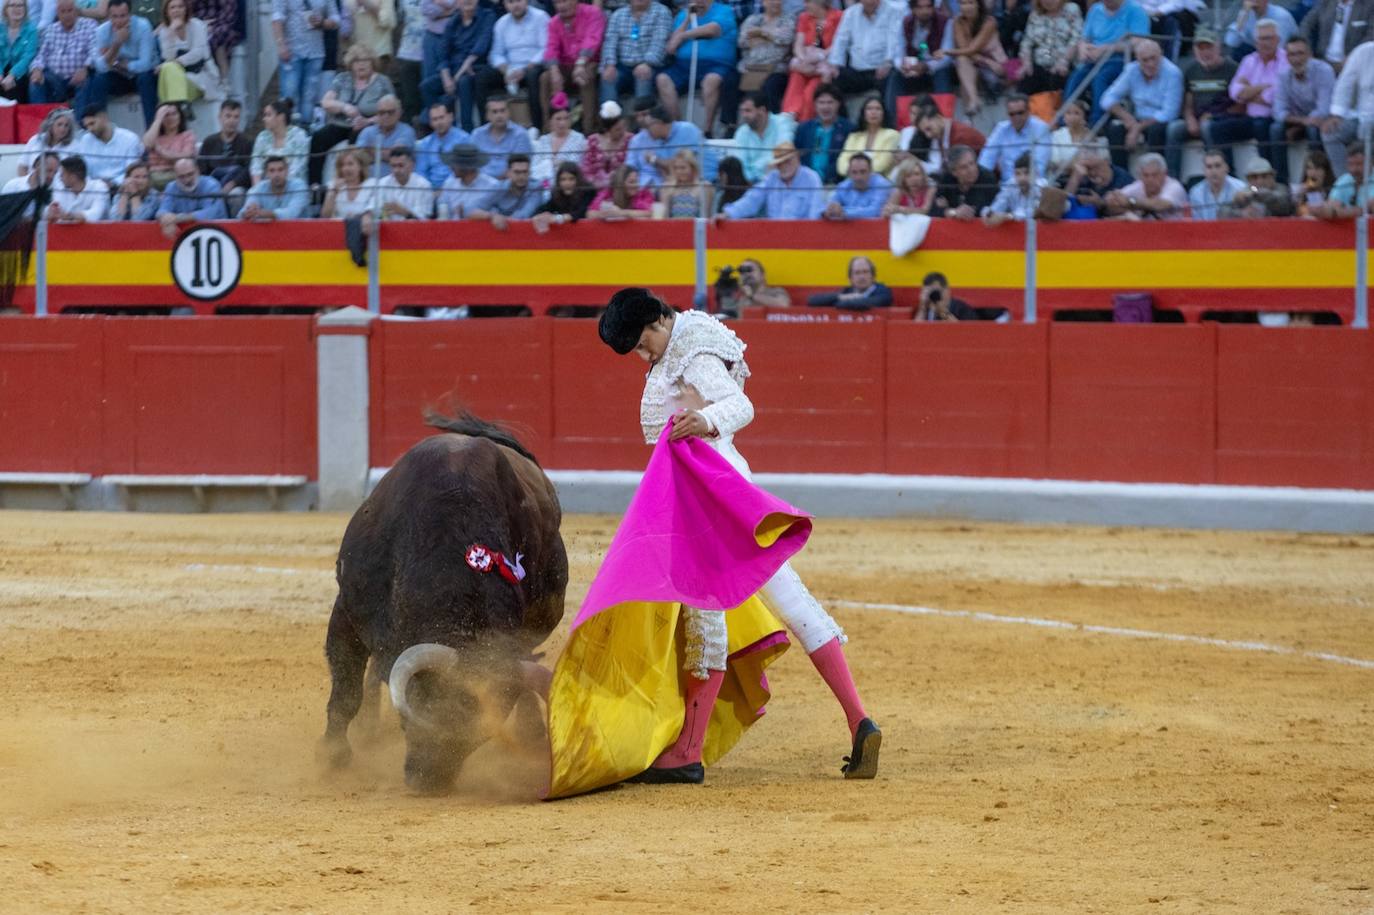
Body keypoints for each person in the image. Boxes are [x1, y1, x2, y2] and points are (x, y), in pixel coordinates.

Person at [594, 287, 882, 784]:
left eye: (644, 344)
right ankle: (860, 720)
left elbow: (739, 405)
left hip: (709, 493)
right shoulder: (685, 340)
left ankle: (686, 752)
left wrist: (704, 419)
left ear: (662, 320)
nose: (644, 356)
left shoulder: (693, 350)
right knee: (793, 602)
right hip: (727, 486)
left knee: (705, 614)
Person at [1209, 20, 1288, 184]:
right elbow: (1234, 92)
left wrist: (1249, 91)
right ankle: (1230, 180)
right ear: (1255, 41)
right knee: (1217, 128)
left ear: (1277, 40)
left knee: (1264, 126)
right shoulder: (1249, 60)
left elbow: (1275, 96)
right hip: (1251, 117)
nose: (1264, 43)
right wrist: (1262, 87)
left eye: (1268, 38)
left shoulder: (1286, 60)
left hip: (1274, 117)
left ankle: (1273, 180)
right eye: (1261, 39)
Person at [312, 43, 395, 185]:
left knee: (357, 137)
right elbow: (326, 102)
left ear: (372, 63)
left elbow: (392, 108)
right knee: (319, 137)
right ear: (351, 64)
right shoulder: (342, 78)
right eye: (357, 61)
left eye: (365, 61)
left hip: (368, 125)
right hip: (340, 123)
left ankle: (351, 183)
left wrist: (368, 121)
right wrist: (344, 107)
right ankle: (315, 186)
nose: (360, 65)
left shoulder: (382, 82)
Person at [1164, 28, 1241, 178]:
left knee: (1208, 127)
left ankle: (1226, 174)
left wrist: (1215, 115)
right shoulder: (1191, 70)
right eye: (1201, 48)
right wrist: (1190, 118)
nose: (1205, 52)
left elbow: (1240, 105)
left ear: (1218, 47)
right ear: (1194, 50)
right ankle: (1172, 178)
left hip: (1222, 119)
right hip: (1197, 117)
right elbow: (1188, 101)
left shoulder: (1233, 69)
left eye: (1209, 47)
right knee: (1174, 128)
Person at [1100, 38, 1183, 171]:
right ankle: (1121, 175)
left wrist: (1137, 128)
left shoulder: (1172, 73)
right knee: (1114, 128)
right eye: (1145, 60)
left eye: (1153, 58)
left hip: (1160, 119)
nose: (1150, 64)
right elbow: (1106, 99)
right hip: (1137, 118)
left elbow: (1169, 112)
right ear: (1137, 59)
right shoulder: (1132, 70)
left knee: (1157, 130)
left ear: (1161, 55)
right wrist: (1127, 118)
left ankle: (1155, 174)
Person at [654, 0, 737, 134]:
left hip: (715, 64)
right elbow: (671, 48)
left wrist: (684, 35)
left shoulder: (724, 11)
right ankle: (678, 129)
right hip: (684, 65)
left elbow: (713, 30)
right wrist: (688, 19)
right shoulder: (683, 15)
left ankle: (707, 130)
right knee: (662, 79)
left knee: (711, 81)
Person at [1064, 0, 1150, 123]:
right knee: (1077, 77)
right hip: (1094, 57)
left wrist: (1106, 49)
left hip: (1121, 58)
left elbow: (1139, 42)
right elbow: (1084, 38)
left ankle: (1097, 123)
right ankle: (1066, 122)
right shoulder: (1095, 10)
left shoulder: (1136, 10)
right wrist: (1083, 50)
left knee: (1101, 78)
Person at [421, 0, 494, 131]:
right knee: (427, 86)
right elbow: (443, 53)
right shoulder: (453, 22)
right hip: (454, 70)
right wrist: (446, 76)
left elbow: (482, 45)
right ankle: (444, 127)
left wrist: (457, 76)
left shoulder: (487, 16)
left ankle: (467, 131)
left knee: (463, 82)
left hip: (475, 67)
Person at [1270, 37, 1334, 184]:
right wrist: (1301, 122)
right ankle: (1281, 182)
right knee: (1275, 129)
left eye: (1300, 53)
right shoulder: (1283, 75)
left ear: (1309, 54)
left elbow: (1323, 110)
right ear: (1287, 57)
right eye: (1292, 54)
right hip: (1300, 120)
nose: (1297, 59)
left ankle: (1319, 182)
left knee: (1313, 129)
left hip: (1321, 121)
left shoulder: (1324, 71)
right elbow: (1278, 112)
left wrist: (1301, 124)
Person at [88, 0, 158, 125]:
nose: (119, 21)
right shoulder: (102, 31)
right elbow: (100, 67)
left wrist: (122, 64)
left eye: (123, 16)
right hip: (119, 77)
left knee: (145, 78)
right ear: (109, 16)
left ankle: (151, 129)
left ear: (130, 14)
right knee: (98, 80)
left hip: (142, 77)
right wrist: (116, 44)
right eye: (114, 16)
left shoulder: (143, 26)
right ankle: (99, 127)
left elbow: (146, 64)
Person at [271, 0, 340, 126]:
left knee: (310, 97)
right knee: (289, 96)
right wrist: (281, 45)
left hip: (316, 53)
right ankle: (287, 132)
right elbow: (276, 17)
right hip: (291, 52)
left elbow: (336, 18)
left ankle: (305, 133)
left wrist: (323, 23)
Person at [719, 140, 825, 219]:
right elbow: (752, 199)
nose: (784, 166)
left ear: (797, 158)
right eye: (780, 164)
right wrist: (728, 213)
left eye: (787, 161)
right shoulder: (772, 178)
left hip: (803, 237)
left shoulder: (811, 178)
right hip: (775, 236)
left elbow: (815, 212)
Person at [541, 0, 602, 133]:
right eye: (557, 3)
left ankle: (589, 129)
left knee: (584, 75)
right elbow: (551, 47)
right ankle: (548, 128)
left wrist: (581, 63)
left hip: (590, 62)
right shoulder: (554, 22)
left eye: (564, 1)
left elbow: (592, 39)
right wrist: (554, 70)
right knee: (545, 78)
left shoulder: (592, 13)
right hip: (566, 65)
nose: (561, 6)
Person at [886, 0, 954, 117]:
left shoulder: (945, 22)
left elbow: (947, 56)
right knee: (895, 75)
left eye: (928, 7)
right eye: (920, 8)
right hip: (913, 68)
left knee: (942, 73)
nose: (925, 11)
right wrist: (902, 66)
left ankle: (944, 118)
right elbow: (898, 52)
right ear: (913, 9)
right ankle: (893, 121)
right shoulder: (906, 22)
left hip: (935, 68)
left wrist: (927, 66)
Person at [820, 0, 898, 99]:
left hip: (881, 69)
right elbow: (841, 40)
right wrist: (834, 65)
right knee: (833, 77)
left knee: (890, 78)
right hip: (856, 70)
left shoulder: (892, 12)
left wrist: (888, 62)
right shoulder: (850, 13)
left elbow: (894, 40)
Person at [599, 0, 670, 107]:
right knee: (608, 76)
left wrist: (647, 63)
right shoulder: (618, 14)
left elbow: (659, 42)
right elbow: (610, 42)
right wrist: (610, 65)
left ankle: (644, 119)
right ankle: (611, 119)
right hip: (623, 65)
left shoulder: (662, 12)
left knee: (643, 75)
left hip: (651, 65)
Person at [490, 0, 548, 129]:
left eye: (518, 0)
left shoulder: (540, 17)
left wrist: (525, 69)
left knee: (533, 76)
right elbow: (496, 53)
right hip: (510, 70)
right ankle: (487, 127)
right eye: (510, 2)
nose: (515, 5)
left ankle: (536, 128)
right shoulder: (501, 23)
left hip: (533, 66)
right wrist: (505, 69)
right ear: (505, 4)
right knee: (482, 77)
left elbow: (545, 49)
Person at [781, 0, 841, 121]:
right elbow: (798, 44)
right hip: (806, 61)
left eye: (809, 2)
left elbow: (839, 43)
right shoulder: (804, 17)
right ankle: (789, 117)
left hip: (827, 61)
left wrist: (820, 56)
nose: (805, 5)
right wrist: (804, 59)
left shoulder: (838, 16)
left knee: (811, 90)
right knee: (796, 77)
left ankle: (805, 121)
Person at [944, 0, 1006, 115]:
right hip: (974, 61)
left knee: (963, 66)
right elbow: (963, 48)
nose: (966, 7)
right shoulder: (958, 21)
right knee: (962, 60)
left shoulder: (989, 22)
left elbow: (973, 48)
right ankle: (973, 101)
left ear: (978, 4)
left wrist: (948, 52)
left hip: (994, 63)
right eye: (963, 3)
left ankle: (971, 110)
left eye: (970, 3)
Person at [1322, 39, 1374, 177]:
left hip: (1368, 124)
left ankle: (1369, 182)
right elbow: (1345, 83)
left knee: (1367, 130)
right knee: (1330, 132)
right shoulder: (1364, 51)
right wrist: (1337, 114)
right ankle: (1345, 180)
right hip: (1363, 116)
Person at [29, 0, 95, 106]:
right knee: (36, 81)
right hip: (54, 79)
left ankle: (79, 122)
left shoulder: (89, 25)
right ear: (57, 13)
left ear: (76, 11)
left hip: (78, 76)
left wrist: (85, 69)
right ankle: (40, 121)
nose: (66, 15)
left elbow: (94, 51)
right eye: (63, 11)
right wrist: (36, 69)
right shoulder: (51, 30)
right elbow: (41, 55)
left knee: (85, 82)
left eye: (70, 11)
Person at [154, 0, 220, 104]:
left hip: (199, 77)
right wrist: (171, 32)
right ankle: (180, 107)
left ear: (186, 9)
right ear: (166, 12)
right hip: (177, 76)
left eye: (180, 7)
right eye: (173, 7)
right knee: (168, 69)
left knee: (167, 68)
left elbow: (198, 53)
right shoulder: (165, 32)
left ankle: (173, 108)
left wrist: (172, 63)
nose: (177, 10)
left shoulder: (197, 25)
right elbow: (168, 57)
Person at [626, 104, 704, 187]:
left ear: (658, 123)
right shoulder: (659, 142)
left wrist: (655, 160)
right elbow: (666, 173)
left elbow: (686, 164)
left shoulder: (687, 129)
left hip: (703, 182)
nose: (647, 131)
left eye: (648, 127)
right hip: (678, 185)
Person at [980, 90, 1052, 181]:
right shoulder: (1001, 129)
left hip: (1034, 184)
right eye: (1012, 114)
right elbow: (986, 160)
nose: (1016, 117)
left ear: (1028, 111)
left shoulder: (1041, 128)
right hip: (1006, 187)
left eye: (1020, 113)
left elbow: (1039, 166)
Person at [1016, 0, 1081, 99]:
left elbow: (1076, 39)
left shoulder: (1072, 9)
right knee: (1026, 77)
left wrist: (1064, 60)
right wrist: (1026, 62)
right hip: (1039, 64)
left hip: (1064, 64)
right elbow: (1026, 42)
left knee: (1058, 78)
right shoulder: (1035, 14)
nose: (1048, 1)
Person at [736, 0, 793, 112]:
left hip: (775, 68)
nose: (776, 3)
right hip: (750, 67)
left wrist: (762, 33)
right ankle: (730, 125)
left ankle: (773, 122)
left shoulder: (788, 20)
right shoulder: (752, 19)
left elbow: (786, 39)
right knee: (729, 81)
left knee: (769, 86)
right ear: (763, 2)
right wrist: (772, 36)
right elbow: (742, 41)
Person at [793, 82, 851, 183]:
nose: (825, 107)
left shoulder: (848, 128)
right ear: (815, 105)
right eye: (821, 102)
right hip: (806, 183)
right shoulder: (804, 128)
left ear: (838, 104)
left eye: (830, 102)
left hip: (835, 184)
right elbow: (796, 156)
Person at [74, 101, 144, 186]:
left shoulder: (129, 139)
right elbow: (85, 171)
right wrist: (98, 185)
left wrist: (113, 183)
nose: (90, 129)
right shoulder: (85, 140)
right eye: (87, 126)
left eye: (92, 124)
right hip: (94, 189)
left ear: (104, 118)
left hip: (124, 187)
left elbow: (132, 171)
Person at [733, 90, 795, 182]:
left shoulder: (782, 123)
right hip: (751, 184)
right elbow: (741, 164)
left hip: (779, 180)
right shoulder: (742, 132)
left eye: (748, 111)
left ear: (762, 110)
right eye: (742, 111)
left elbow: (783, 153)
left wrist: (760, 170)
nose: (744, 115)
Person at [469, 150, 545, 225]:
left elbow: (523, 217)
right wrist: (492, 216)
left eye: (525, 172)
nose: (521, 176)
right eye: (517, 172)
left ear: (529, 173)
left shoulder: (536, 188)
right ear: (508, 173)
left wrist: (499, 218)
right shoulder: (500, 187)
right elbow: (471, 211)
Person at [157, 156, 227, 237]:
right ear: (175, 176)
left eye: (190, 174)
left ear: (198, 171)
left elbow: (209, 214)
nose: (187, 180)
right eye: (181, 177)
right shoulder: (171, 187)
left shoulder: (211, 185)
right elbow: (162, 210)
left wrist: (177, 219)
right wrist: (166, 219)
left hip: (216, 232)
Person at [1105, 151, 1188, 218]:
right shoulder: (1139, 185)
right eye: (1146, 175)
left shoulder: (1174, 187)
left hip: (1174, 233)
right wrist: (1114, 198)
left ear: (1165, 174)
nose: (1150, 180)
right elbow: (1112, 201)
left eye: (1154, 175)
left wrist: (1131, 202)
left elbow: (1161, 205)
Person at [198, 98, 251, 198]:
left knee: (236, 194)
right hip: (212, 184)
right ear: (220, 117)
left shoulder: (246, 142)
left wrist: (232, 184)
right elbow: (202, 170)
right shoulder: (209, 141)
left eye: (236, 117)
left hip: (236, 185)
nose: (232, 120)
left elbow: (248, 169)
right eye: (228, 116)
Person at [470, 93, 533, 178]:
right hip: (482, 185)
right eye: (494, 112)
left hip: (510, 184)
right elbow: (472, 163)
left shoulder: (520, 134)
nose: (499, 115)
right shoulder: (477, 135)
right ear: (487, 115)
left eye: (502, 111)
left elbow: (521, 165)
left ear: (509, 112)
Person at [251, 97, 311, 185]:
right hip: (266, 188)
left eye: (268, 115)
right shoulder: (262, 137)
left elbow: (297, 168)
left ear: (281, 117)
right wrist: (258, 190)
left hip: (293, 188)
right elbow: (255, 166)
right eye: (264, 115)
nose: (264, 119)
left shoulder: (299, 135)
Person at [531, 91, 586, 186]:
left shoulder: (579, 139)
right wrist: (550, 164)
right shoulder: (543, 140)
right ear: (550, 121)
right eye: (558, 119)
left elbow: (580, 166)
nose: (562, 123)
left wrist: (557, 164)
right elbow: (534, 168)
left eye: (566, 118)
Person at [355, 93, 417, 175]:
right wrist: (386, 154)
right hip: (369, 183)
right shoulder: (367, 132)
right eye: (382, 112)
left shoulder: (407, 131)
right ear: (377, 114)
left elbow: (397, 156)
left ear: (399, 113)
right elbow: (359, 159)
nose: (386, 116)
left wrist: (370, 151)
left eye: (390, 112)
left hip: (396, 182)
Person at [838, 94, 899, 177]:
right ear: (864, 113)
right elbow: (841, 165)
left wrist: (856, 171)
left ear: (883, 113)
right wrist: (857, 173)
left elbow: (881, 165)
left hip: (881, 182)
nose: (873, 112)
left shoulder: (892, 135)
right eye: (869, 109)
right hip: (853, 181)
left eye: (878, 109)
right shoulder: (854, 136)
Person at [914, 102, 984, 173]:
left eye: (929, 129)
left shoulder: (960, 136)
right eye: (924, 132)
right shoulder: (941, 134)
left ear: (939, 118)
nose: (928, 135)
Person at [1302, 0, 1372, 71]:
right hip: (1323, 61)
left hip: (1353, 65)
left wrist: (1354, 56)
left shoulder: (1369, 5)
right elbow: (1306, 25)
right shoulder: (1326, 3)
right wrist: (1306, 48)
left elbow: (1371, 35)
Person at [932, 142, 998, 218]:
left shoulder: (988, 178)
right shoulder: (947, 178)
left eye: (972, 163)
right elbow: (933, 210)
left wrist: (948, 209)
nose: (971, 170)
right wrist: (954, 212)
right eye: (964, 167)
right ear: (954, 172)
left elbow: (985, 211)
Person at [437, 141, 501, 216]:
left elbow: (496, 216)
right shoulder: (449, 183)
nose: (451, 167)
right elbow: (442, 208)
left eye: (455, 164)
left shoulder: (492, 186)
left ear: (467, 168)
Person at [415, 98, 469, 186]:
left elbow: (465, 171)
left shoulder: (464, 139)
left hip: (456, 188)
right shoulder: (425, 143)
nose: (439, 122)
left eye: (441, 117)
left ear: (450, 117)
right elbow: (421, 172)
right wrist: (429, 190)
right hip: (431, 191)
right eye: (435, 119)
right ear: (430, 123)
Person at [806, 255, 893, 308]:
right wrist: (842, 297)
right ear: (850, 278)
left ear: (873, 276)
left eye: (865, 272)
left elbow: (863, 304)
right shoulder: (847, 291)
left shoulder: (883, 292)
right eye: (857, 273)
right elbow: (812, 301)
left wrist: (841, 301)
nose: (862, 276)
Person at [240, 154, 310, 220]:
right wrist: (248, 213)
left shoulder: (299, 186)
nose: (276, 175)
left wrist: (266, 214)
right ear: (266, 174)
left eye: (280, 170)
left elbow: (292, 213)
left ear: (287, 171)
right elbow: (242, 213)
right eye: (272, 171)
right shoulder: (260, 187)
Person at [824, 150, 891, 218]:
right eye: (854, 172)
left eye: (863, 172)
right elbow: (828, 208)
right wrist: (832, 209)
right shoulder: (843, 186)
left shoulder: (881, 185)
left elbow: (875, 212)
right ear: (849, 173)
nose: (859, 177)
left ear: (871, 171)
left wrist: (844, 212)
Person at [1219, 155, 1295, 215]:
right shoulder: (1244, 192)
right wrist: (1241, 213)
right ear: (1248, 180)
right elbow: (1222, 212)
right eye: (1254, 177)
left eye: (1264, 176)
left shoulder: (1281, 189)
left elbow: (1285, 205)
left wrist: (1260, 194)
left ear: (1272, 176)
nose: (1260, 181)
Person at [142, 100, 194, 188]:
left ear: (180, 116)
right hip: (153, 177)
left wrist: (159, 150)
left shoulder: (187, 135)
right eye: (166, 115)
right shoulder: (155, 136)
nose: (170, 118)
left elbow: (185, 157)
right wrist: (158, 119)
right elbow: (146, 144)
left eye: (174, 114)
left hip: (177, 176)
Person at [581, 98, 630, 188]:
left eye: (623, 127)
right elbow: (586, 170)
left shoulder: (630, 140)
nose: (622, 131)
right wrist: (597, 183)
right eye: (617, 129)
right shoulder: (592, 141)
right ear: (607, 130)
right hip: (595, 189)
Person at [531, 158, 593, 229]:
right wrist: (542, 215)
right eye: (563, 179)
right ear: (558, 181)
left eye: (571, 179)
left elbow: (581, 212)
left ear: (578, 180)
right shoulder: (558, 194)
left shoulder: (588, 191)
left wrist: (558, 218)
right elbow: (544, 208)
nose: (567, 183)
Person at [1224, 0, 1296, 59]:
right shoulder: (1247, 14)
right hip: (1261, 51)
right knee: (1239, 50)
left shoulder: (1281, 16)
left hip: (1287, 55)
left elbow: (1278, 47)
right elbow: (1231, 42)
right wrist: (1243, 13)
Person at [375, 145, 433, 218]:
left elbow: (424, 219)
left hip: (413, 228)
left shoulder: (423, 186)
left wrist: (404, 212)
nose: (396, 170)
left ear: (412, 166)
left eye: (401, 165)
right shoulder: (382, 183)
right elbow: (375, 211)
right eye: (393, 166)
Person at [19, 107, 79, 177]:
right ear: (50, 125)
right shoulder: (35, 140)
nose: (63, 129)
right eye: (59, 124)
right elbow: (22, 166)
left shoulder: (74, 145)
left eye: (66, 125)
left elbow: (76, 173)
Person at [47, 154, 109, 222]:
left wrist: (71, 216)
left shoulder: (99, 187)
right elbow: (53, 210)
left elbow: (96, 214)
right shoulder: (60, 189)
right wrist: (50, 212)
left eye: (63, 174)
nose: (60, 177)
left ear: (73, 176)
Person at [320, 146, 378, 217]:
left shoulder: (372, 184)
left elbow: (375, 212)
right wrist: (334, 191)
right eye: (342, 165)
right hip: (339, 226)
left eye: (350, 164)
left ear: (360, 166)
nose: (345, 168)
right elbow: (325, 216)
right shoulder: (333, 185)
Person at [983, 150, 1041, 222]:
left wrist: (1008, 216)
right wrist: (990, 213)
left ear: (1036, 174)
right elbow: (999, 203)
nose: (1022, 178)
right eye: (1017, 174)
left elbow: (1033, 213)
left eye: (1027, 173)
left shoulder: (1042, 188)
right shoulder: (1012, 185)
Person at [1187, 147, 1245, 217]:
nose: (1213, 171)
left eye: (1217, 166)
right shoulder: (1196, 192)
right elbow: (1197, 223)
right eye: (1209, 167)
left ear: (1226, 168)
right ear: (1204, 170)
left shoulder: (1240, 188)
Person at [717, 258, 789, 313]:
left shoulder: (776, 291)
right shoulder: (739, 297)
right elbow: (729, 316)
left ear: (762, 275)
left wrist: (752, 296)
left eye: (749, 270)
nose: (746, 274)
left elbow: (783, 306)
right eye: (742, 271)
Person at [0, 0, 38, 103]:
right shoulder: (0, 28)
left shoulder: (32, 30)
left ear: (25, 9)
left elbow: (28, 57)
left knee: (13, 88)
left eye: (20, 5)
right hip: (2, 68)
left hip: (21, 72)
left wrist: (12, 75)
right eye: (13, 5)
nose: (17, 9)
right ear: (6, 9)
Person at [657, 148, 712, 216]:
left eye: (683, 168)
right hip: (673, 225)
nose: (679, 172)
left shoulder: (704, 186)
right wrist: (667, 195)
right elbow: (664, 217)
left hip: (695, 225)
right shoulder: (667, 187)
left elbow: (706, 217)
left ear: (693, 168)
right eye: (676, 168)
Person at [343, 0, 395, 71]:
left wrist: (368, 5)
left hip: (378, 54)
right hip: (355, 55)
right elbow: (345, 23)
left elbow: (390, 22)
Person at [588, 162, 654, 218]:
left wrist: (622, 213)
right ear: (620, 183)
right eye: (631, 182)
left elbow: (649, 213)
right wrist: (605, 213)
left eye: (637, 181)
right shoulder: (608, 193)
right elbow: (589, 213)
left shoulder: (643, 194)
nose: (636, 185)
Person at [1047, 97, 1092, 174]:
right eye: (1068, 113)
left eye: (1076, 113)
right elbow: (1055, 161)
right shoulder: (1057, 135)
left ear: (1084, 117)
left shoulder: (1092, 136)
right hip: (1061, 176)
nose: (1071, 117)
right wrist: (1074, 165)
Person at [1294, 148, 1336, 215]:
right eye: (1309, 168)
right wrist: (1299, 198)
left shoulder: (1335, 191)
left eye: (1317, 168)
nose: (1312, 173)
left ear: (1325, 172)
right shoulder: (1302, 191)